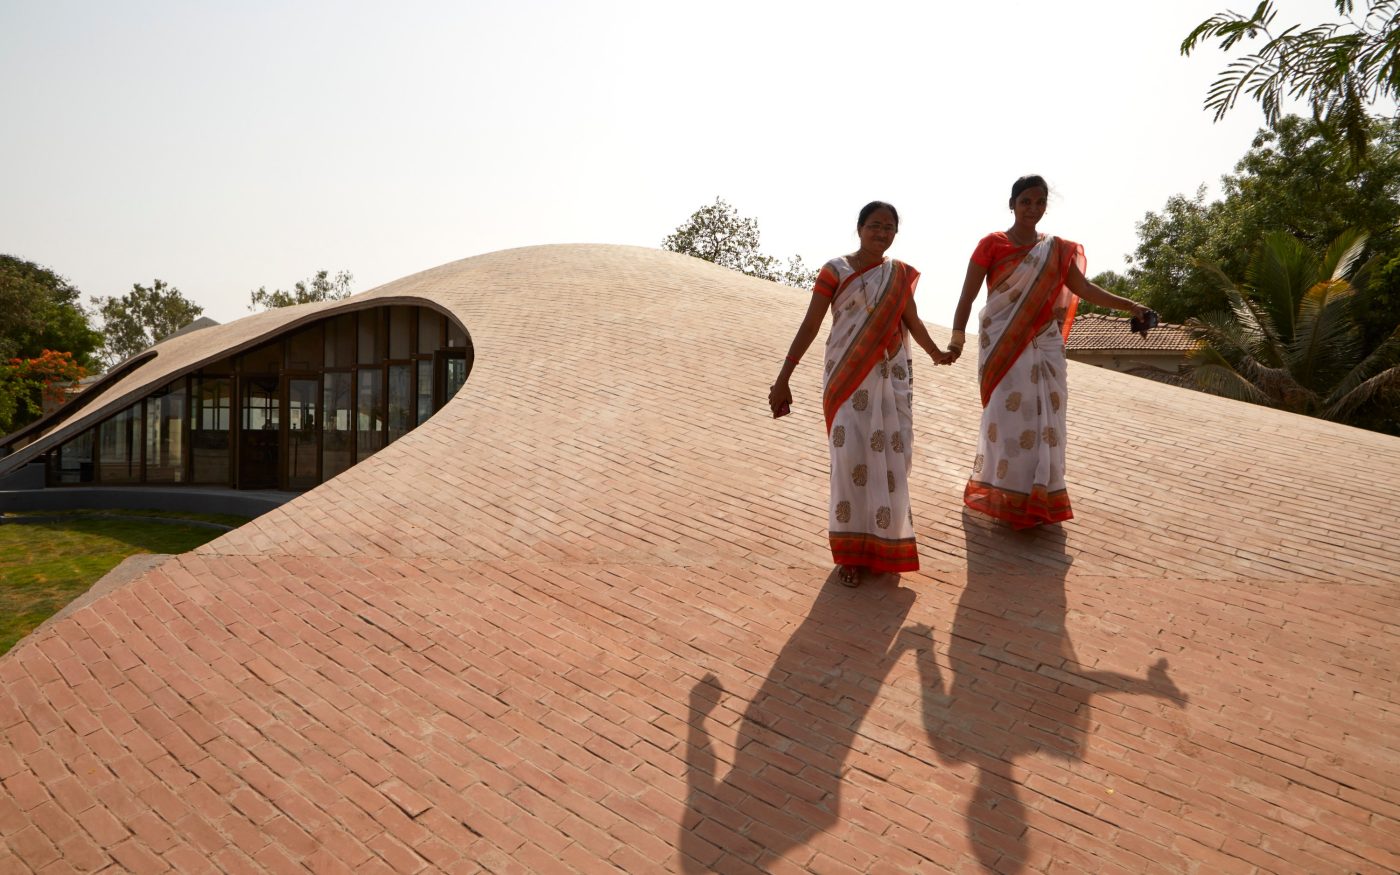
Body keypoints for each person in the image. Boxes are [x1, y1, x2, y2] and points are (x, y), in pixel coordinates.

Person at [945, 175, 1149, 528]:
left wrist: (1131, 306)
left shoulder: (1056, 248)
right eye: (1026, 201)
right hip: (1004, 344)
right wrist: (957, 338)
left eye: (1039, 202)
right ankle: (1006, 495)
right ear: (1012, 204)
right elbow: (968, 295)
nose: (1033, 209)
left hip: (1046, 343)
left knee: (1046, 421)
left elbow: (1084, 288)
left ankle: (1040, 497)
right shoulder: (991, 244)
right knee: (1008, 420)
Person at [769, 202, 953, 587]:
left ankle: (884, 546)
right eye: (874, 226)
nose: (881, 233)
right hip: (846, 379)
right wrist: (784, 375)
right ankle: (850, 555)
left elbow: (911, 320)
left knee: (892, 463)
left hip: (890, 378)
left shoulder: (898, 274)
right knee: (850, 459)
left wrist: (935, 352)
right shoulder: (835, 270)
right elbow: (811, 324)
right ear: (859, 228)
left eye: (889, 228)